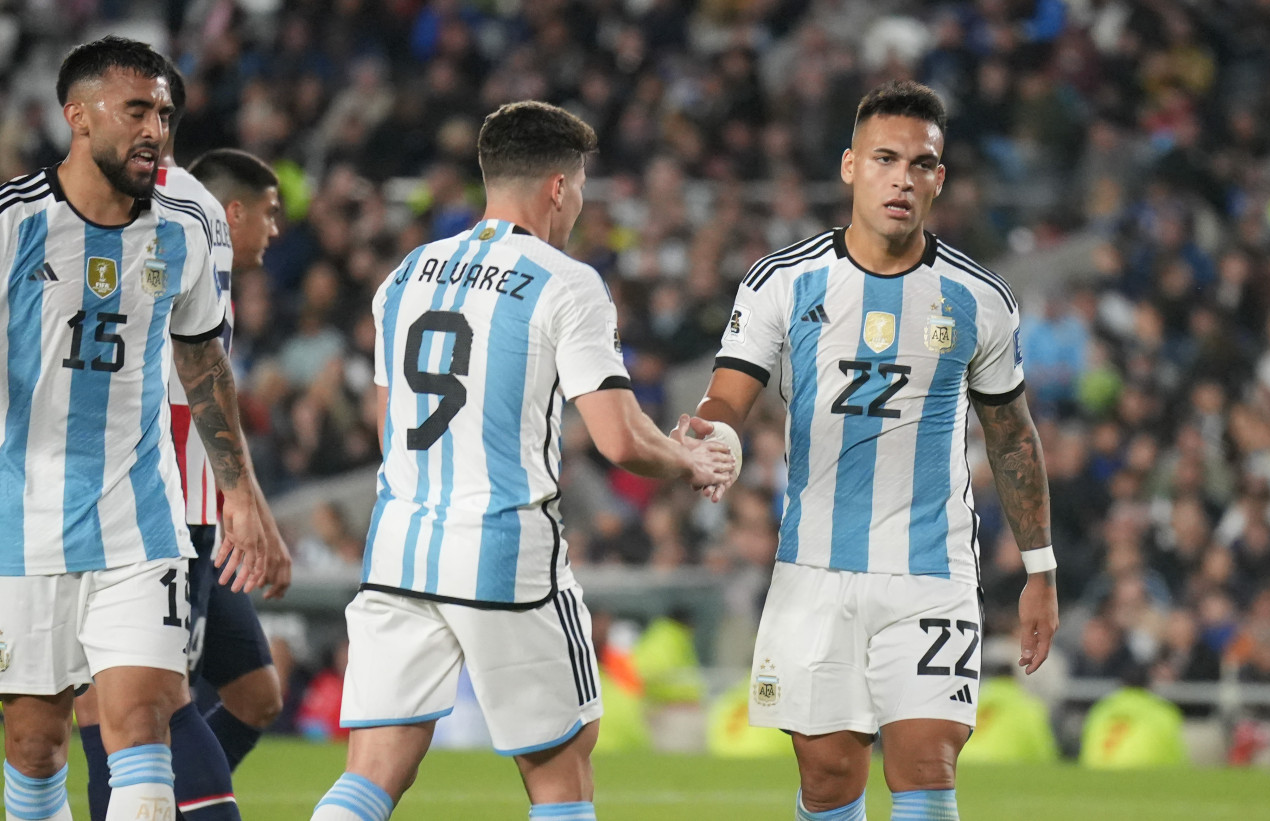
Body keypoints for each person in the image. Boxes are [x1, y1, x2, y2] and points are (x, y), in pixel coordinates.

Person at [310, 100, 735, 821]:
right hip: (503, 553)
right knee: (563, 765)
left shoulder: (407, 274)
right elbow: (620, 439)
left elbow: (390, 425)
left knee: (372, 773)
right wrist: (690, 459)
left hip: (400, 550)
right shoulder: (566, 282)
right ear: (558, 189)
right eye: (582, 190)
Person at [692, 79, 1059, 821]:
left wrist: (1042, 569)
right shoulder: (783, 282)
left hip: (932, 567)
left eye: (921, 164)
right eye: (885, 158)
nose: (903, 178)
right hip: (814, 568)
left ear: (939, 179)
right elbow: (728, 393)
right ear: (850, 166)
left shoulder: (977, 298)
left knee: (927, 761)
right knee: (828, 777)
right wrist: (716, 435)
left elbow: (1013, 435)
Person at [0, 36, 272, 821]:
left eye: (163, 111)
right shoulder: (15, 226)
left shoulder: (186, 224)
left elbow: (204, 361)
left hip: (137, 513)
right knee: (35, 742)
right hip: (25, 517)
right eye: (136, 110)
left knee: (143, 716)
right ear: (77, 118)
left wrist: (240, 491)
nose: (156, 128)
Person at [74, 114, 291, 819]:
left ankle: (158, 802)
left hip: (197, 498)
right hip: (161, 501)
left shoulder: (183, 227)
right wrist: (240, 497)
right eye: (269, 212)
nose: (276, 230)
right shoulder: (182, 210)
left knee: (252, 693)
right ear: (232, 213)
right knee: (142, 696)